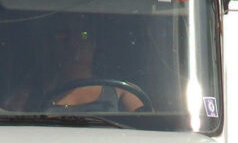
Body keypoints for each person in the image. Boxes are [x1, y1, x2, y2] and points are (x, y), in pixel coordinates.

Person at [11, 14, 146, 112]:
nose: (74, 45)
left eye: (83, 35)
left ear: (93, 45)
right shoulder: (28, 96)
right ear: (49, 46)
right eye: (64, 36)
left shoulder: (123, 92)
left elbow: (146, 132)